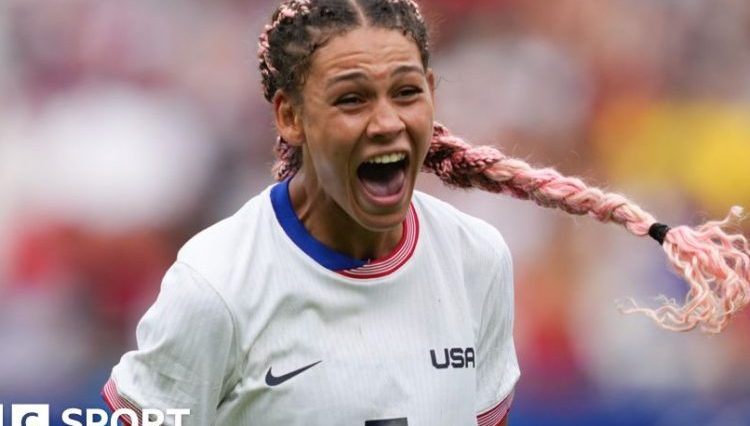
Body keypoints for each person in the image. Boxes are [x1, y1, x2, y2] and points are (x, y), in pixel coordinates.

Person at [102, 0, 750, 425]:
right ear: (290, 116)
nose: (387, 122)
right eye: (352, 99)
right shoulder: (216, 282)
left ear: (432, 97)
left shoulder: (477, 260)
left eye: (407, 93)